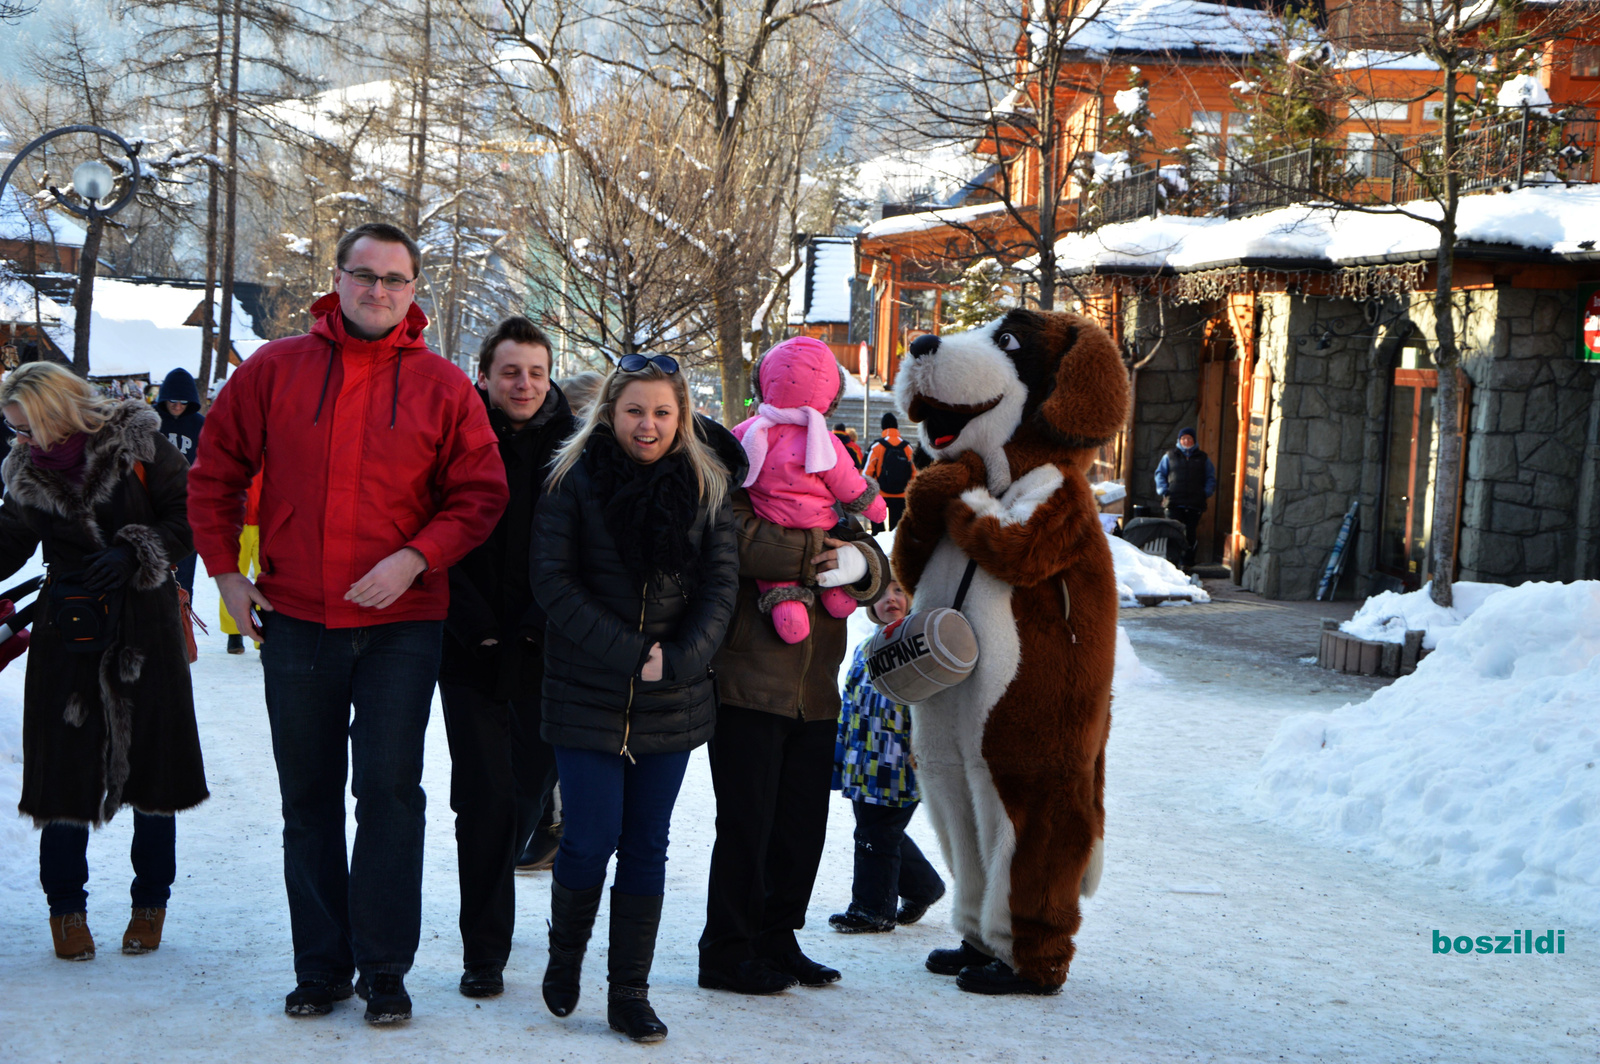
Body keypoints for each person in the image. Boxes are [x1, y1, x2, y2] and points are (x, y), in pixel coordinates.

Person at [187, 222, 509, 1025]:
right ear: (335, 279)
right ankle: (322, 966)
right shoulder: (274, 370)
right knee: (309, 797)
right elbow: (215, 470)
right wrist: (226, 572)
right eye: (364, 275)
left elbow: (480, 495)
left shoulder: (442, 386)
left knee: (391, 793)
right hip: (297, 617)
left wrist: (415, 558)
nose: (378, 291)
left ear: (414, 291)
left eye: (395, 279)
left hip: (404, 622)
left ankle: (385, 968)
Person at [532, 354, 739, 1043]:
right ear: (610, 412)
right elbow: (553, 583)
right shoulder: (571, 478)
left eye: (661, 412)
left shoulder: (707, 486)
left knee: (647, 844)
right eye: (633, 411)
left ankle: (629, 993)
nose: (646, 425)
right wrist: (631, 653)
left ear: (681, 418)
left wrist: (678, 660)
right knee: (589, 839)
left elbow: (721, 587)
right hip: (585, 692)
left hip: (672, 700)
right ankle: (565, 961)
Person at [0, 362, 208, 962]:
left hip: (145, 627)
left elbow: (187, 516)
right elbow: (10, 541)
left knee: (155, 773)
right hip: (68, 633)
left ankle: (150, 902)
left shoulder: (140, 440)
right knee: (62, 773)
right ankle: (65, 909)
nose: (20, 439)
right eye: (13, 430)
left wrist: (134, 551)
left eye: (26, 426)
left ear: (54, 412)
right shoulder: (24, 468)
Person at [697, 427, 890, 995]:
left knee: (801, 830)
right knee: (745, 826)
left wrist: (861, 565)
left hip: (817, 694)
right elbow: (744, 542)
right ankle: (727, 951)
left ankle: (777, 937)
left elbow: (874, 556)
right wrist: (831, 555)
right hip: (748, 687)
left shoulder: (830, 486)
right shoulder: (741, 481)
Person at [439, 315, 572, 999]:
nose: (523, 384)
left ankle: (507, 886)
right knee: (484, 799)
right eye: (510, 371)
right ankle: (484, 949)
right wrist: (476, 627)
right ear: (485, 375)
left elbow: (579, 549)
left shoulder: (577, 445)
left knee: (525, 791)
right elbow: (432, 532)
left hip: (549, 647)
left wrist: (532, 626)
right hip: (469, 645)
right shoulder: (455, 434)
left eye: (535, 372)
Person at [728, 338, 885, 644]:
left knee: (788, 582)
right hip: (820, 526)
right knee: (834, 586)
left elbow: (721, 460)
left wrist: (863, 564)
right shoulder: (828, 444)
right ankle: (833, 590)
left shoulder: (748, 433)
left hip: (819, 685)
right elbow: (849, 484)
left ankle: (787, 599)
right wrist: (873, 506)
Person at [828, 579, 945, 934]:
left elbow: (936, 706)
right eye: (881, 594)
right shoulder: (867, 648)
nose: (890, 599)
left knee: (876, 834)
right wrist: (839, 754)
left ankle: (872, 908)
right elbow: (848, 704)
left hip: (901, 764)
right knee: (881, 832)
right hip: (865, 763)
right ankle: (923, 887)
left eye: (898, 590)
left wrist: (925, 748)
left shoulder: (923, 648)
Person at [155, 368, 204, 595]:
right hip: (153, 506)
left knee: (183, 575)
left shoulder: (200, 425)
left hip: (188, 507)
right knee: (152, 572)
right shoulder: (151, 422)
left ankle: (183, 625)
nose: (176, 406)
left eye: (183, 401)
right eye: (172, 401)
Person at [1154, 426, 1216, 570]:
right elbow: (1160, 474)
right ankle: (1171, 562)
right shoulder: (1169, 456)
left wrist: (1206, 492)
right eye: (1183, 438)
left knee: (1191, 533)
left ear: (1194, 441)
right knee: (1173, 532)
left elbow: (1210, 477)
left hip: (1195, 503)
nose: (1186, 441)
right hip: (1174, 501)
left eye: (1189, 438)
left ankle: (1187, 563)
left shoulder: (1202, 458)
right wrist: (1163, 490)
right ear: (1179, 440)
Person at [217, 471, 262, 654]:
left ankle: (263, 637)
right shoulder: (237, 450)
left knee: (267, 582)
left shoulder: (277, 449)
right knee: (231, 578)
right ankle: (233, 632)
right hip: (236, 523)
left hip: (265, 522)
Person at [862, 412, 917, 533]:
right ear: (897, 427)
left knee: (877, 533)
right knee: (897, 532)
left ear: (883, 427)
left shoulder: (877, 446)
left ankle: (878, 550)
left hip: (880, 494)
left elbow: (867, 473)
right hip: (901, 495)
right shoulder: (907, 447)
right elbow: (915, 474)